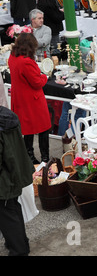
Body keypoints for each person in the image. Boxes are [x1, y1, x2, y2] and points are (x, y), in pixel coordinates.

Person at [8, 33, 51, 164]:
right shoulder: (26, 62)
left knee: (27, 129)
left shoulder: (12, 57)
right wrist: (45, 76)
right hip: (33, 100)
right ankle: (45, 158)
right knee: (43, 128)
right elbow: (37, 82)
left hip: (20, 98)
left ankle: (29, 157)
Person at [0, 106, 35, 256]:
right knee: (12, 209)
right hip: (13, 173)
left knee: (8, 214)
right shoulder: (7, 116)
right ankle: (19, 244)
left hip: (4, 179)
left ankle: (19, 249)